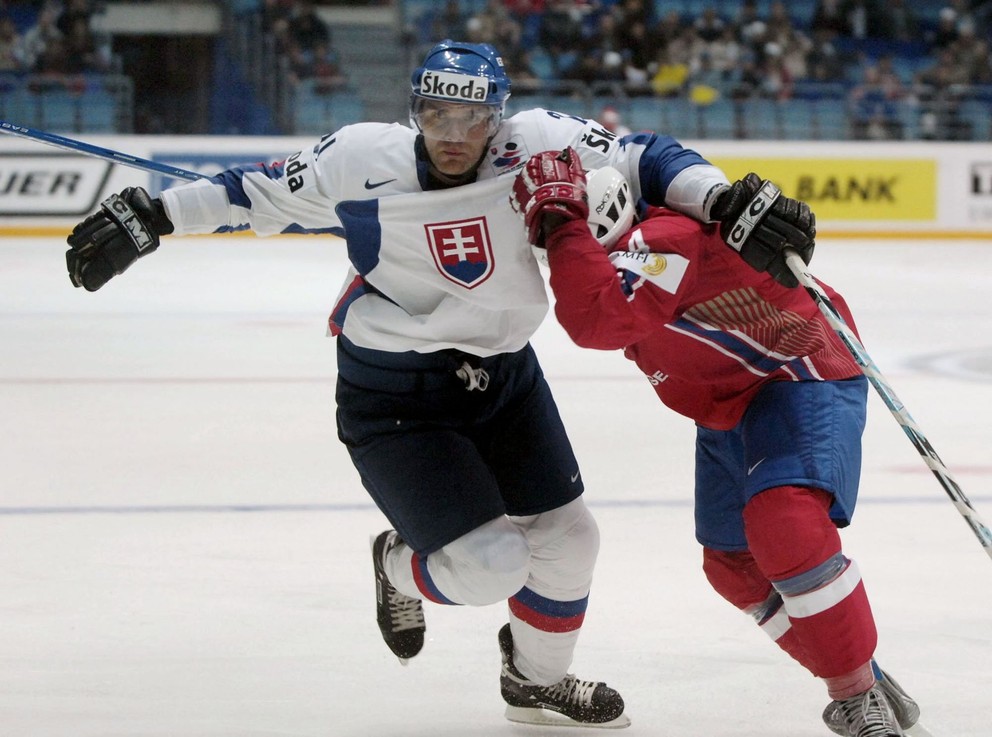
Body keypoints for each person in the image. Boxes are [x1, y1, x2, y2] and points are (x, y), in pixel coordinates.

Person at [61, 40, 815, 728]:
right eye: (434, 114)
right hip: (394, 395)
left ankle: (534, 680)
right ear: (413, 111)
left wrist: (718, 200)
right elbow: (247, 192)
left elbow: (646, 156)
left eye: (470, 116)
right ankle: (397, 561)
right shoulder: (359, 161)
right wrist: (149, 216)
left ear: (500, 116)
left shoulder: (540, 144)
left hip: (506, 377)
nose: (453, 133)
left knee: (570, 541)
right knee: (490, 567)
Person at [509, 148, 927, 737]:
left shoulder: (665, 240)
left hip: (795, 371)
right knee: (732, 564)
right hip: (730, 402)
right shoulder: (644, 239)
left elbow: (599, 320)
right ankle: (866, 678)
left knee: (784, 526)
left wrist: (561, 222)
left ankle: (856, 696)